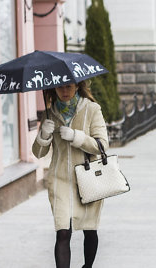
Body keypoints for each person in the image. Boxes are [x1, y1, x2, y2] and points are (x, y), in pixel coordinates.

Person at [32, 81, 108, 268]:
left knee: (89, 230)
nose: (64, 91)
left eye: (69, 86)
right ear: (53, 89)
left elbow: (102, 145)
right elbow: (38, 153)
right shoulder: (50, 113)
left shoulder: (92, 109)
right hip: (60, 181)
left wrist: (76, 136)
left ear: (77, 86)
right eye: (60, 87)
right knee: (63, 232)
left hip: (87, 180)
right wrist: (43, 135)